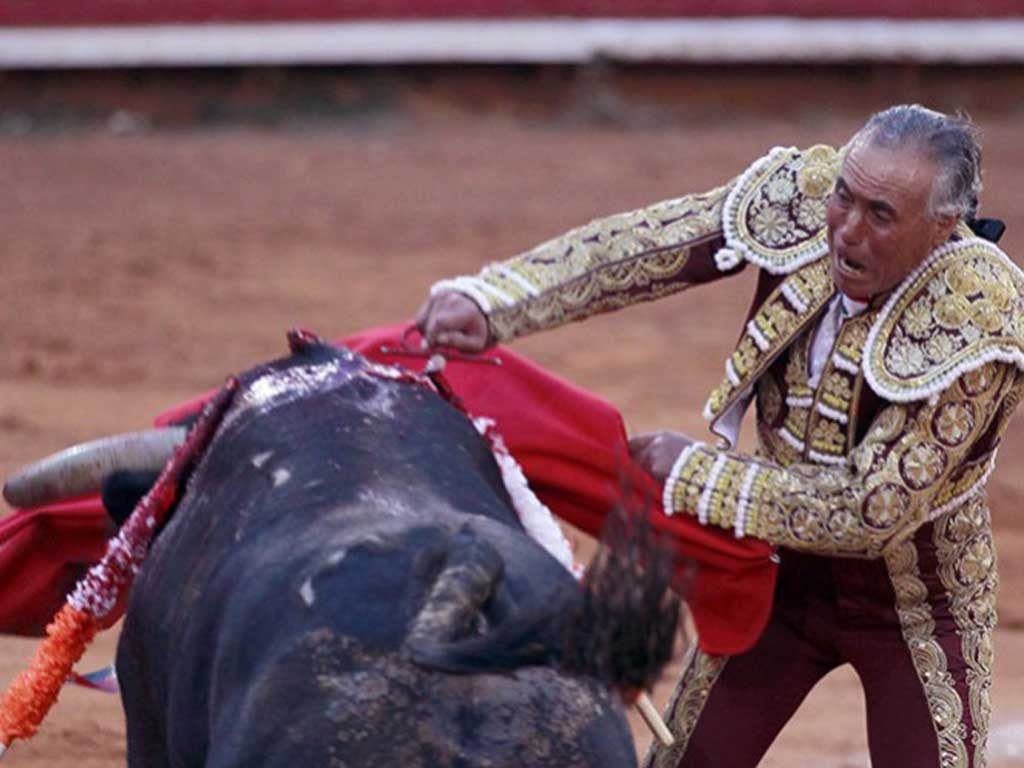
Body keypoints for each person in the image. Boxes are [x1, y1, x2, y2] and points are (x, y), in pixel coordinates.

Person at [415, 104, 1024, 768]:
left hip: (914, 608)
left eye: (880, 215)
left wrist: (694, 475)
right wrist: (498, 298)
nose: (845, 230)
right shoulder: (802, 196)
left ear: (944, 227)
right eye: (844, 197)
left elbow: (869, 510)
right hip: (776, 576)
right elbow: (652, 245)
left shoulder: (979, 317)